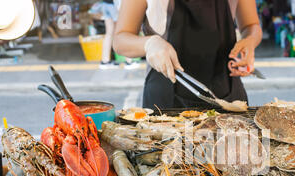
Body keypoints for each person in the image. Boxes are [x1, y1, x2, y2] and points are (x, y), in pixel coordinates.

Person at [113, 0, 262, 109]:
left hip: (227, 91)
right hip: (166, 97)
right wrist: (149, 43)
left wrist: (250, 41)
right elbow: (120, 39)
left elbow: (251, 26)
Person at [89, 0, 141, 70]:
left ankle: (105, 61)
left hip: (105, 4)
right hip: (114, 6)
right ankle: (129, 61)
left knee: (109, 33)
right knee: (123, 32)